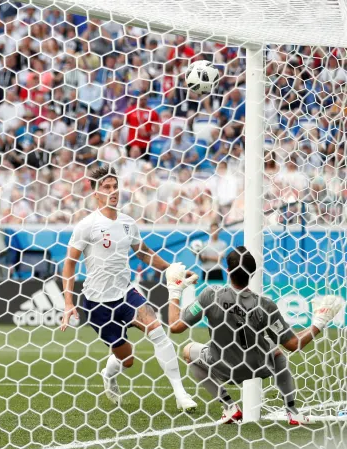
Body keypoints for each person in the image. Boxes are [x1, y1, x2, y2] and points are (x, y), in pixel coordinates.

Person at [60, 165, 197, 412]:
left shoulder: (127, 223)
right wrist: (69, 303)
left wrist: (171, 269)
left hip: (126, 295)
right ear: (96, 193)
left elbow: (143, 252)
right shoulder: (87, 225)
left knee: (158, 332)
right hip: (97, 304)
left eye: (115, 186)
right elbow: (69, 264)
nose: (113, 192)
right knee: (127, 359)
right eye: (106, 188)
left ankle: (180, 393)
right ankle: (109, 375)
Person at [167, 247, 344, 425]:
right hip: (257, 367)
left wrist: (175, 291)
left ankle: (229, 407)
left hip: (222, 366)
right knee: (276, 351)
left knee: (188, 350)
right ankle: (292, 411)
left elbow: (175, 326)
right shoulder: (265, 305)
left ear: (228, 272)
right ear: (252, 273)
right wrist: (319, 323)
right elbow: (293, 344)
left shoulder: (210, 295)